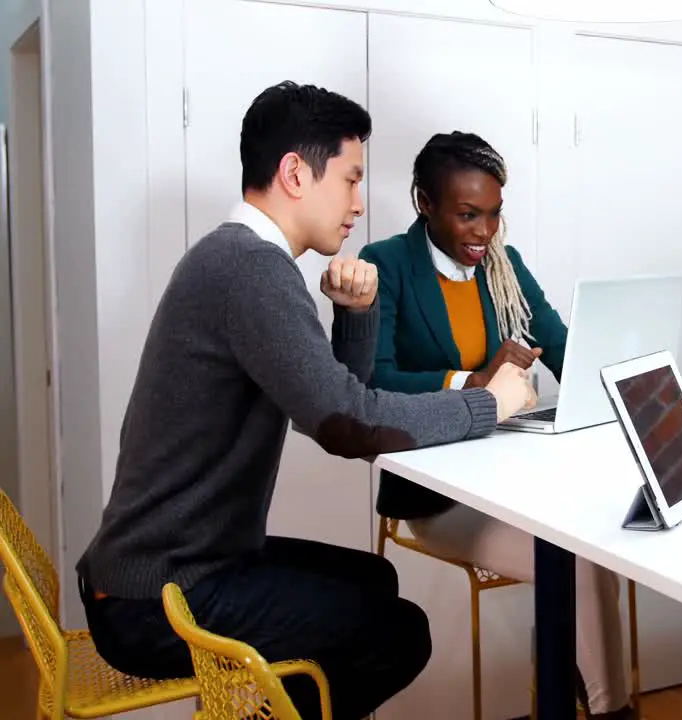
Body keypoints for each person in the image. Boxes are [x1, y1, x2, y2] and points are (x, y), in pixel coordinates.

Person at [75, 82, 535, 720]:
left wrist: (356, 314)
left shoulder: (236, 258)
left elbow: (334, 403)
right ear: (296, 173)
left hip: (173, 566)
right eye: (350, 180)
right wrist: (490, 404)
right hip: (160, 595)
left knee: (373, 582)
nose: (357, 204)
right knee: (397, 631)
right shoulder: (251, 270)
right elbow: (347, 424)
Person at [358, 131, 635, 719]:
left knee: (600, 543)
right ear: (424, 203)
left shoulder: (502, 266)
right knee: (581, 559)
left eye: (493, 213)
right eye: (467, 214)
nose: (484, 232)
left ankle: (574, 687)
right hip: (438, 498)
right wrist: (472, 382)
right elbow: (374, 383)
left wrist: (625, 385)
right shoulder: (386, 265)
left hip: (516, 481)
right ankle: (611, 709)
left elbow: (562, 345)